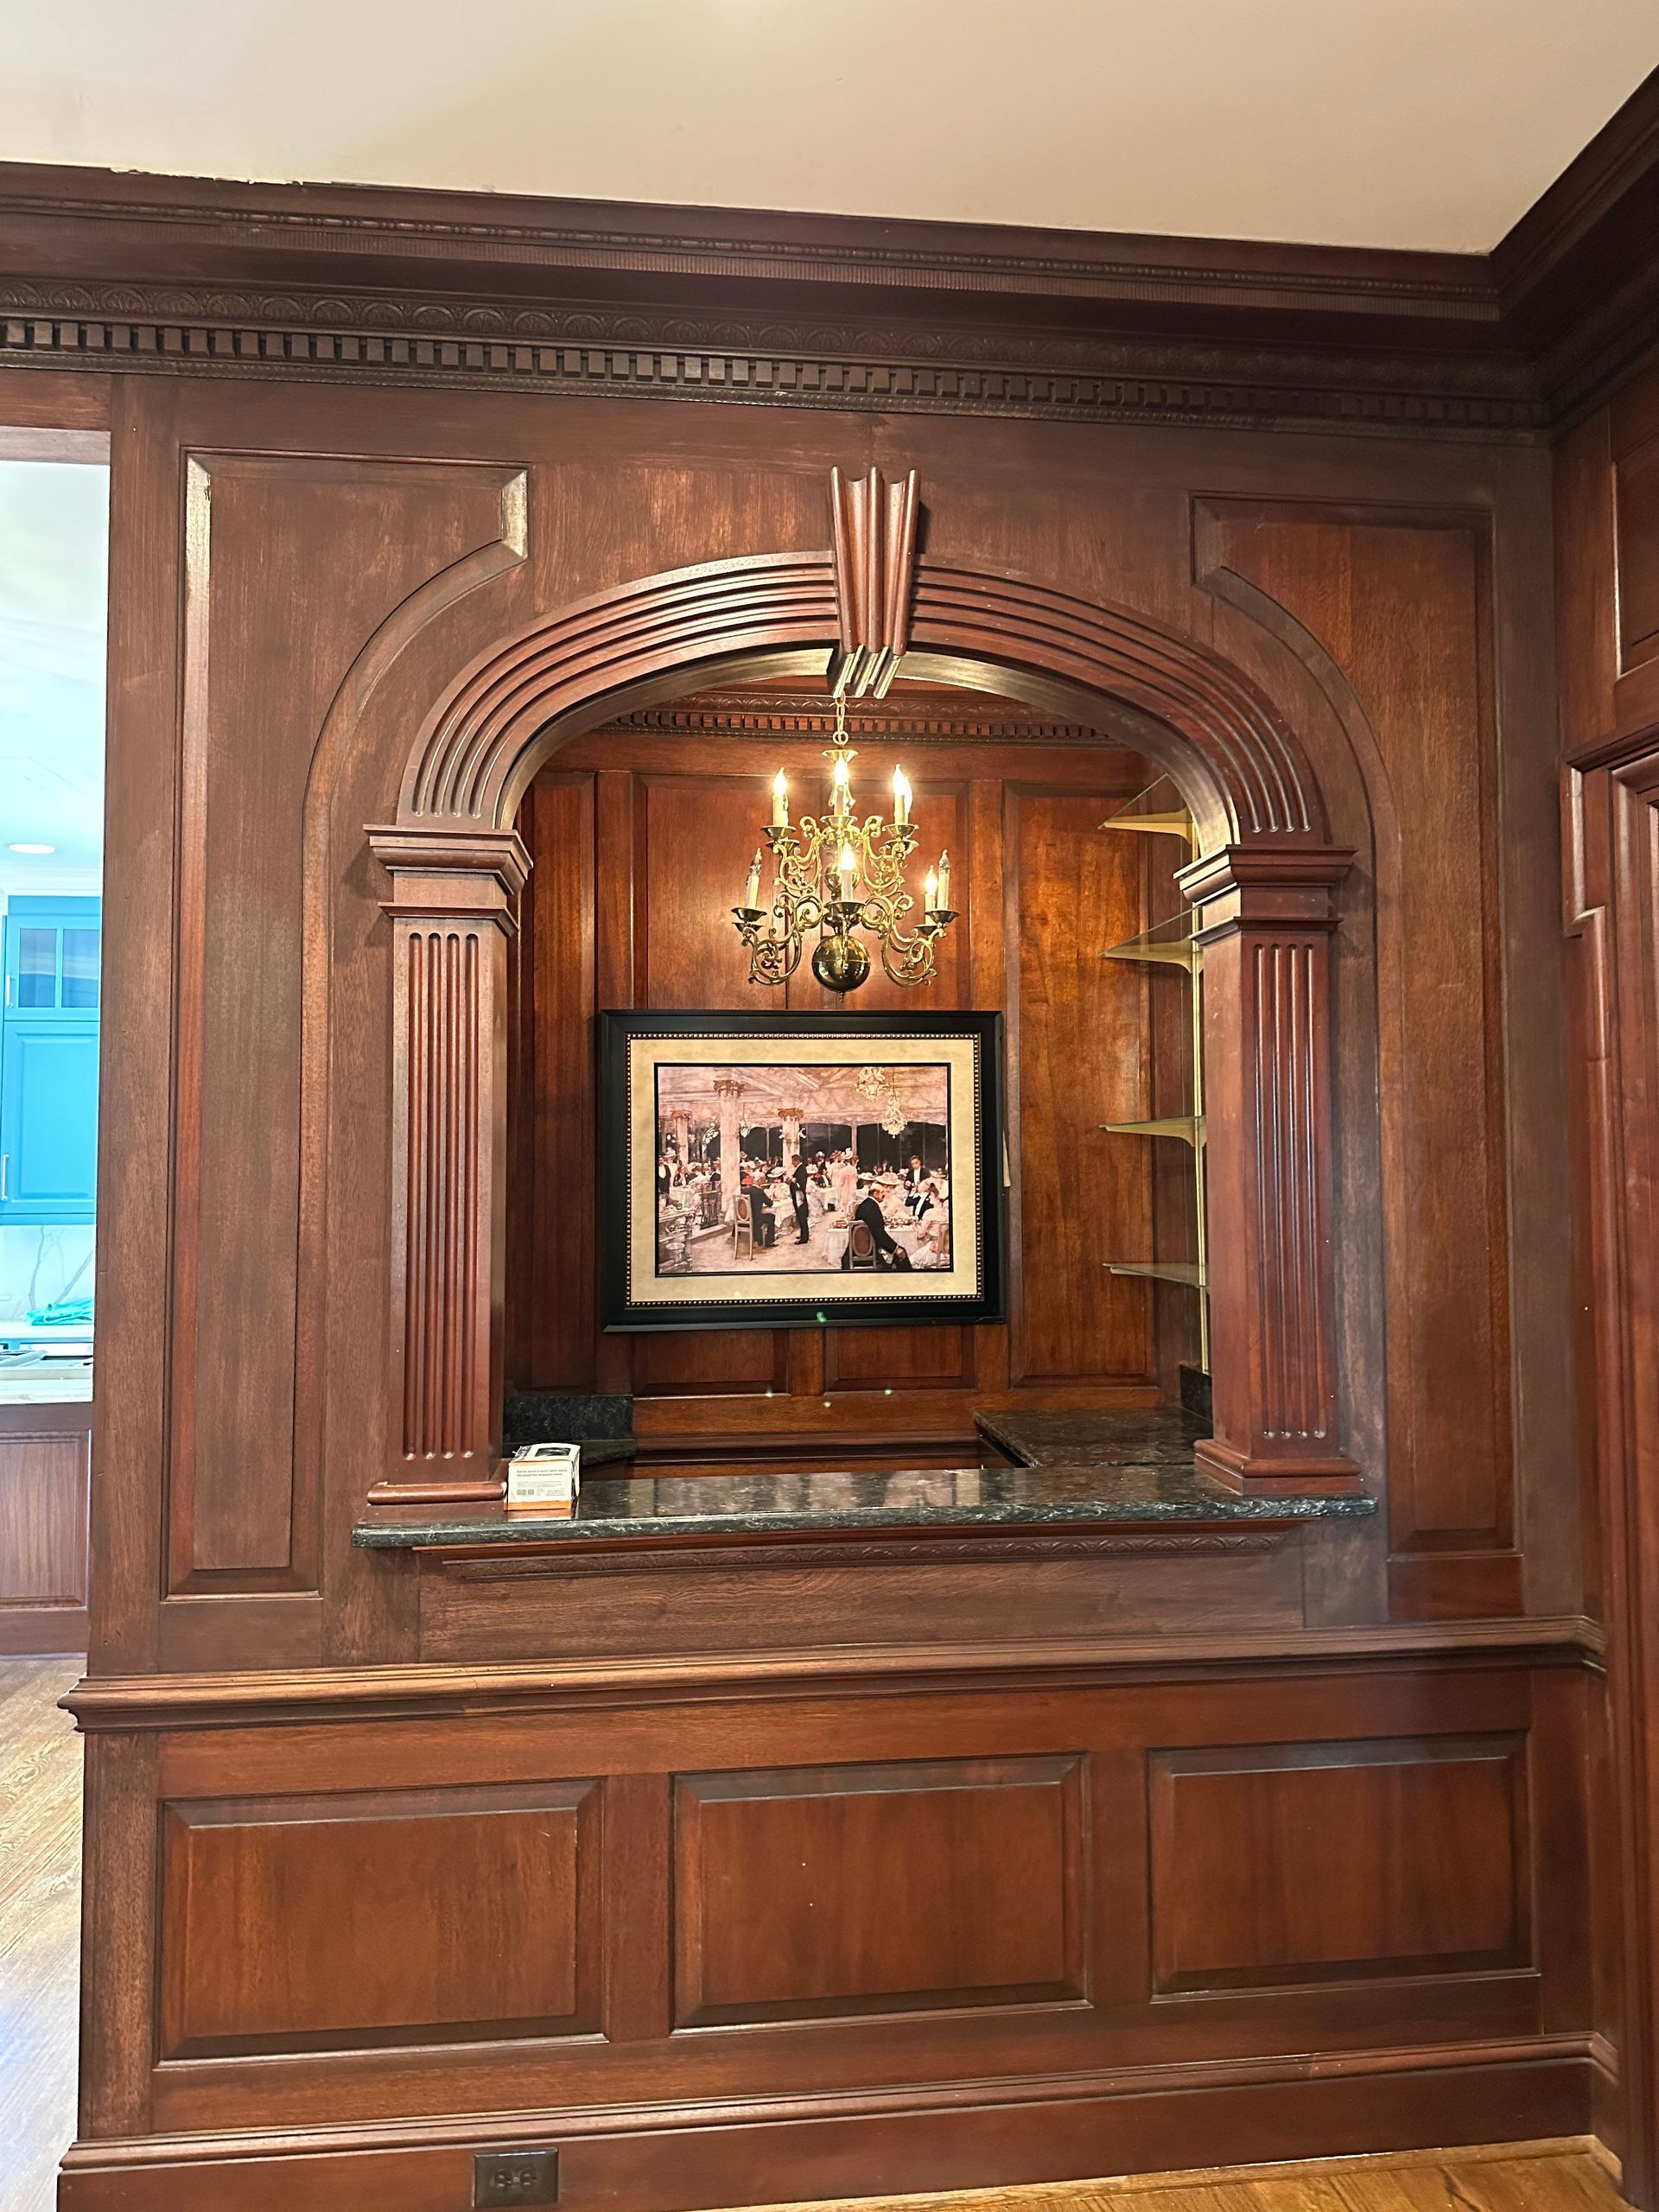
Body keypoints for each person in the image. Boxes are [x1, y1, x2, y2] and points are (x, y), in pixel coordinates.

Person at [841, 1178, 912, 1271]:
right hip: (868, 1251)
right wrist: (895, 1249)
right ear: (876, 1194)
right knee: (902, 1253)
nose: (884, 1195)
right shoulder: (871, 1208)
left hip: (864, 1248)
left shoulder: (868, 1204)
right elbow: (879, 1234)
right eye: (882, 1193)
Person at [741, 1168, 777, 1249]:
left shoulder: (745, 1190)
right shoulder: (759, 1191)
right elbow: (770, 1204)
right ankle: (769, 1242)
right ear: (759, 1181)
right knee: (771, 1217)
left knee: (758, 1215)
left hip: (745, 1218)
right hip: (756, 1219)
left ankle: (758, 1238)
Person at [789, 1154, 811, 1244]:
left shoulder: (801, 1169)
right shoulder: (800, 1169)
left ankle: (804, 1238)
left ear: (797, 1160)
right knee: (801, 1217)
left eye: (793, 1161)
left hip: (799, 1197)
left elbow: (801, 1185)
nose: (792, 1163)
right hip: (798, 1196)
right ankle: (803, 1234)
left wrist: (792, 1182)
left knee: (802, 1217)